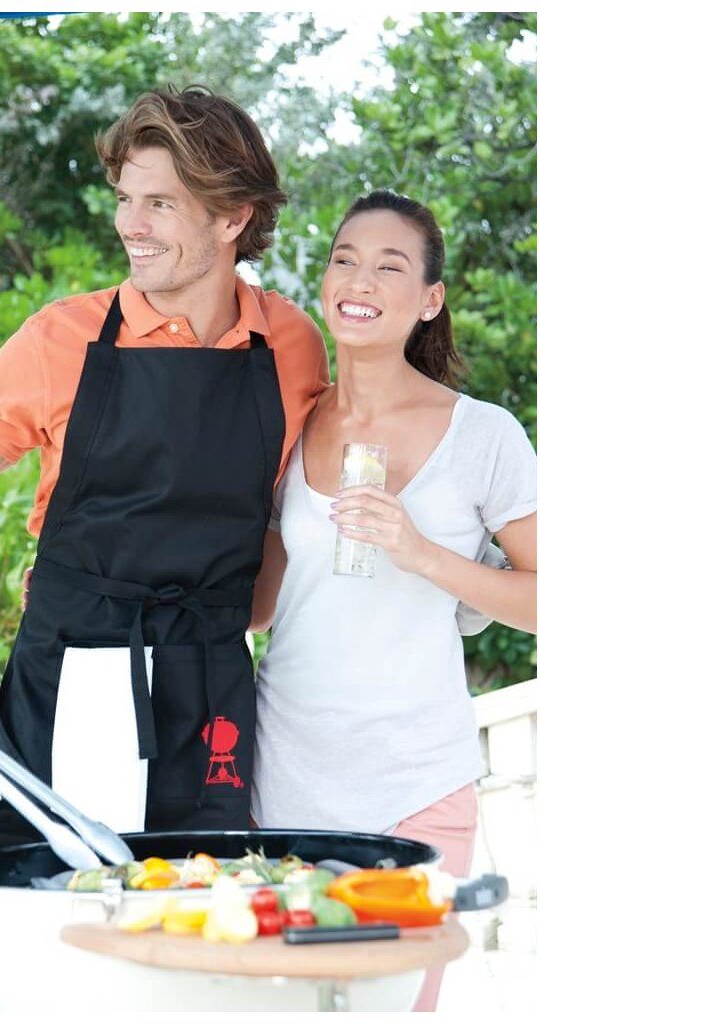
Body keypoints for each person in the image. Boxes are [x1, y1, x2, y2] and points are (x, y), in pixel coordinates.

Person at [0, 86, 332, 834]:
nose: (130, 225)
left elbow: (286, 515)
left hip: (213, 690)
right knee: (60, 896)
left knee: (202, 897)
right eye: (124, 199)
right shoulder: (60, 339)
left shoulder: (293, 345)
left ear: (232, 218)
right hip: (72, 680)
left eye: (159, 204)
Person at [248, 189, 537, 1011]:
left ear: (430, 299)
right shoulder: (289, 423)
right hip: (282, 781)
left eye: (389, 266)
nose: (360, 280)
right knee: (280, 1007)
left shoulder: (484, 435)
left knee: (395, 1007)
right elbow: (257, 607)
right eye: (345, 259)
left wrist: (421, 553)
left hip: (415, 782)